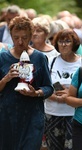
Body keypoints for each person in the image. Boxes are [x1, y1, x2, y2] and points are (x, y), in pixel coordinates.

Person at [0, 16, 54, 149]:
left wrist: (35, 93)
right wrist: (6, 79)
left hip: (32, 116)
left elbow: (49, 87)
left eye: (24, 38)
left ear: (31, 36)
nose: (19, 42)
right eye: (16, 37)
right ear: (11, 36)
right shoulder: (3, 57)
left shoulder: (39, 58)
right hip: (7, 116)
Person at [44, 28, 82, 150]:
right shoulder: (50, 62)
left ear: (74, 43)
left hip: (74, 114)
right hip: (53, 113)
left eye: (67, 41)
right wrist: (58, 98)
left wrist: (68, 96)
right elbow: (43, 86)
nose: (64, 44)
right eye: (60, 41)